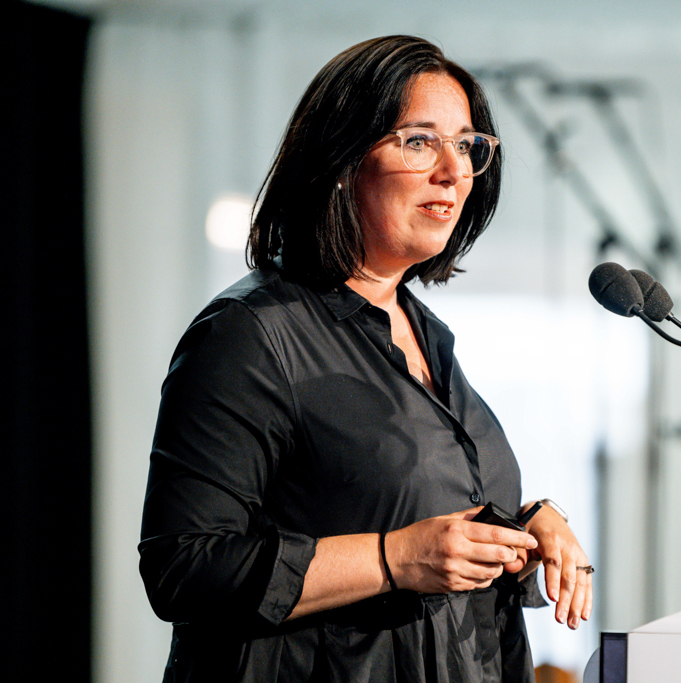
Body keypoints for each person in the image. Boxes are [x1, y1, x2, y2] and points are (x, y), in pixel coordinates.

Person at [139, 35, 592, 683]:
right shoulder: (251, 334)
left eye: (467, 145)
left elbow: (397, 501)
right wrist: (395, 558)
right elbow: (184, 567)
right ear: (342, 159)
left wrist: (528, 522)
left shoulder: (426, 331)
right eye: (419, 141)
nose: (454, 169)